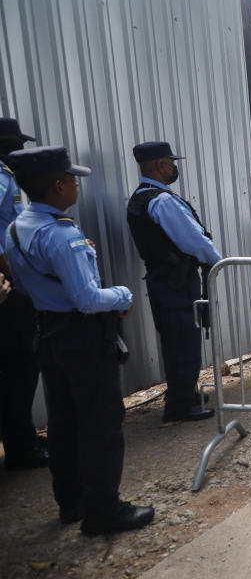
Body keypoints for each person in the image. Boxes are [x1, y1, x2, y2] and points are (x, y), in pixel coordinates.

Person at [2, 145, 153, 535]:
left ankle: (71, 502)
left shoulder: (17, 228)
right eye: (72, 180)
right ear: (57, 186)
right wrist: (123, 294)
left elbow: (21, 283)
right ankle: (104, 510)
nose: (77, 187)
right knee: (101, 421)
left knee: (64, 421)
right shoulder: (61, 234)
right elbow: (87, 300)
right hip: (81, 338)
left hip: (47, 332)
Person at [126, 141, 220, 423]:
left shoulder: (142, 197)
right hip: (176, 281)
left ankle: (184, 395)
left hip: (165, 280)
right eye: (171, 162)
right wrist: (217, 261)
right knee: (184, 342)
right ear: (160, 165)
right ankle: (181, 405)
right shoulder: (162, 200)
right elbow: (192, 239)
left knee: (176, 339)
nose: (174, 167)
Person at [0, 117, 49, 471]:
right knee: (18, 366)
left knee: (20, 366)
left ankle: (23, 437)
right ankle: (20, 447)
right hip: (9, 289)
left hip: (14, 285)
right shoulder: (2, 178)